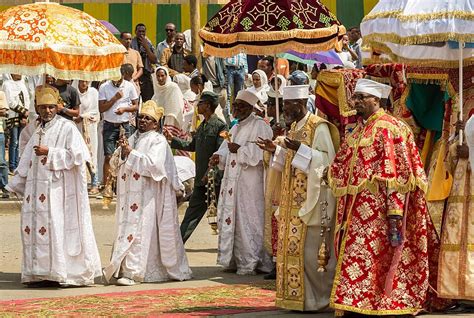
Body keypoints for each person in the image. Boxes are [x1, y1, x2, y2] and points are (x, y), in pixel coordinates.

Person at [327, 79, 442, 315]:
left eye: (361, 98)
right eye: (355, 97)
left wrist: (395, 211)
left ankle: (381, 302)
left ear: (376, 100)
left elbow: (398, 175)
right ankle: (356, 302)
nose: (355, 102)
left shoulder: (391, 128)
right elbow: (343, 162)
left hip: (380, 210)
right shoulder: (359, 129)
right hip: (356, 209)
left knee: (377, 257)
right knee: (359, 256)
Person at [6, 85, 102, 287]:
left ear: (58, 106)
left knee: (55, 227)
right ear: (37, 108)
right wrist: (15, 183)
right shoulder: (36, 129)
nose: (47, 111)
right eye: (43, 107)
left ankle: (58, 271)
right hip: (36, 191)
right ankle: (39, 273)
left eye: (51, 107)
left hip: (58, 190)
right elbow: (25, 159)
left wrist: (50, 152)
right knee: (36, 229)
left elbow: (78, 157)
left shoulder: (67, 128)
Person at [257, 85, 340, 310]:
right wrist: (276, 150)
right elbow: (291, 160)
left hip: (311, 202)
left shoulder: (318, 127)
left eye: (288, 105)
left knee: (312, 254)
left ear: (301, 104)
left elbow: (326, 161)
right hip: (291, 200)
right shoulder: (294, 127)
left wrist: (299, 149)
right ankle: (297, 299)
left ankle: (319, 300)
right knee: (294, 252)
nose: (285, 109)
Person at [103, 100, 192, 286]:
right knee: (127, 230)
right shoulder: (133, 137)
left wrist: (131, 153)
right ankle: (124, 269)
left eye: (147, 118)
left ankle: (135, 272)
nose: (142, 120)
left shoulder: (158, 141)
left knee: (141, 231)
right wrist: (123, 152)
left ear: (155, 123)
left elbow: (155, 167)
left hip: (148, 196)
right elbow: (114, 165)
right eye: (140, 117)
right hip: (129, 196)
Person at [209, 89, 273, 275]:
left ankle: (253, 261)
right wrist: (217, 157)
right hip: (232, 182)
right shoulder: (235, 127)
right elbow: (225, 150)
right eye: (235, 105)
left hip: (250, 184)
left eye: (241, 106)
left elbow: (263, 154)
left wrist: (241, 150)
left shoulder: (260, 126)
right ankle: (235, 259)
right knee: (233, 219)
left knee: (249, 220)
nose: (237, 109)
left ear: (251, 108)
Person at [167, 91, 227, 243]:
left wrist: (210, 172)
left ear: (207, 106)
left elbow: (220, 154)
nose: (197, 106)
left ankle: (228, 250)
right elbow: (192, 145)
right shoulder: (203, 126)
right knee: (191, 214)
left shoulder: (220, 126)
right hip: (201, 180)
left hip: (215, 181)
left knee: (223, 216)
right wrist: (172, 140)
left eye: (200, 103)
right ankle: (177, 245)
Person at [437, 105, 474, 301]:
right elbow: (450, 162)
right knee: (456, 240)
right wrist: (458, 136)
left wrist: (471, 153)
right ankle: (459, 294)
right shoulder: (470, 119)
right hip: (460, 190)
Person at [99, 64, 139, 194]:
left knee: (125, 155)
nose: (117, 82)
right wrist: (115, 98)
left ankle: (124, 185)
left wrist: (124, 109)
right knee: (108, 156)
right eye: (114, 79)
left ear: (123, 75)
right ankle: (107, 186)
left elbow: (136, 106)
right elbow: (101, 108)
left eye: (119, 79)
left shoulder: (129, 86)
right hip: (110, 124)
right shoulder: (104, 87)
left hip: (124, 124)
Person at [74, 80, 100, 195]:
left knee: (91, 153)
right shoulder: (74, 92)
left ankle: (94, 182)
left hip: (90, 126)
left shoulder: (94, 92)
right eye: (82, 81)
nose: (84, 84)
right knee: (78, 152)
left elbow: (95, 111)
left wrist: (83, 116)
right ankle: (80, 183)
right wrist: (77, 117)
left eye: (86, 81)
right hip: (76, 126)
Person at [1, 74, 30, 172]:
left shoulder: (22, 84)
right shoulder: (7, 84)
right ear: (12, 73)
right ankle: (12, 165)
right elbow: (10, 101)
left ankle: (18, 164)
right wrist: (23, 111)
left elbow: (27, 99)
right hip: (13, 115)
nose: (20, 74)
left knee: (20, 141)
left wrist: (26, 114)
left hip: (24, 116)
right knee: (14, 142)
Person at [131, 23, 157, 102]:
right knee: (135, 100)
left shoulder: (148, 43)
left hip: (146, 75)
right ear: (135, 32)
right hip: (135, 75)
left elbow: (154, 60)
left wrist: (146, 47)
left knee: (148, 100)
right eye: (139, 31)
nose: (141, 34)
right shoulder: (131, 43)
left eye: (143, 31)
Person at [224, 53, 248, 124]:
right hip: (229, 68)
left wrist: (246, 70)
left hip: (241, 69)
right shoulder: (230, 43)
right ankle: (228, 116)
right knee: (229, 94)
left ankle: (238, 114)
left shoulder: (242, 46)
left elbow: (245, 57)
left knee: (239, 94)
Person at [0, 92, 9, 198]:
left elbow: (4, 112)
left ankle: (5, 186)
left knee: (1, 161)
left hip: (0, 132)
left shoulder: (1, 93)